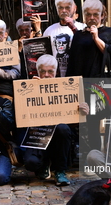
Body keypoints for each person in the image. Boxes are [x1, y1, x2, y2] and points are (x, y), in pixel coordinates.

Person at [21, 54, 88, 185]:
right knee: (31, 163)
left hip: (58, 137)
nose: (46, 75)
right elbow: (21, 119)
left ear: (56, 72)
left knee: (62, 128)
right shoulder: (28, 88)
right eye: (43, 71)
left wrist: (82, 113)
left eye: (50, 71)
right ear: (38, 72)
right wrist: (30, 91)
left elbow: (72, 125)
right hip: (38, 136)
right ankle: (44, 164)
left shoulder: (66, 89)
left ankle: (60, 171)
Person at [66, 0, 111, 151]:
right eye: (88, 14)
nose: (92, 18)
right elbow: (73, 64)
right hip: (87, 85)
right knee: (91, 121)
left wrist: (96, 38)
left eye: (95, 14)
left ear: (102, 15)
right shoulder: (78, 36)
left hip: (106, 83)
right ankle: (94, 156)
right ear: (84, 16)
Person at [43, 0, 85, 77]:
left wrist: (73, 27)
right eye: (61, 7)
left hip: (77, 76)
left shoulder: (83, 28)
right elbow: (45, 56)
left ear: (75, 8)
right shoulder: (49, 30)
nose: (64, 10)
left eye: (67, 7)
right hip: (56, 77)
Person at [0, 19, 21, 100]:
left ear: (5, 34)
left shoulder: (12, 50)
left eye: (0, 33)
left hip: (5, 93)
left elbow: (16, 73)